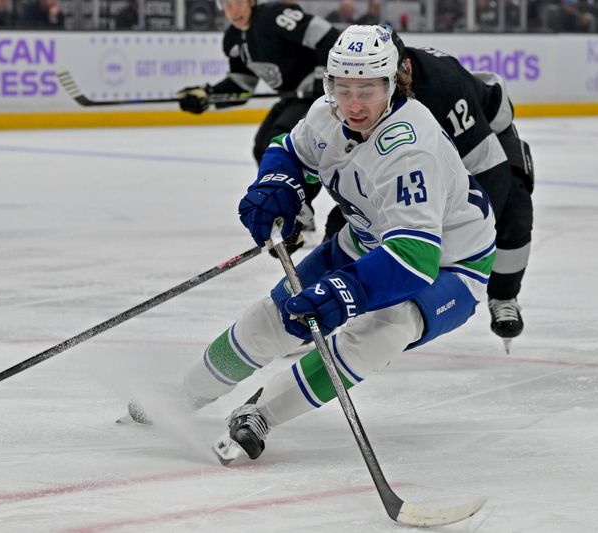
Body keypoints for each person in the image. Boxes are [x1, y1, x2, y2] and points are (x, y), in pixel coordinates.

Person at [177, 24, 497, 464]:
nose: (353, 103)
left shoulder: (411, 147)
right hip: (366, 237)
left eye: (367, 90)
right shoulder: (326, 115)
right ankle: (183, 396)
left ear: (392, 84)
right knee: (277, 316)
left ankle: (261, 414)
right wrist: (278, 183)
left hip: (452, 263)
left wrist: (348, 292)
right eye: (342, 88)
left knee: (385, 330)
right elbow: (288, 150)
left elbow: (416, 257)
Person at [323, 28, 534, 352]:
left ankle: (505, 295)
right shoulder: (363, 92)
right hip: (423, 149)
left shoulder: (444, 87)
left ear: (402, 69)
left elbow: (487, 167)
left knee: (515, 208)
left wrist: (464, 237)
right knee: (362, 215)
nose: (358, 97)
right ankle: (326, 301)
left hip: (483, 140)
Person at [174, 0, 340, 253]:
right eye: (226, 5)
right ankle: (296, 207)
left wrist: (322, 79)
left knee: (280, 140)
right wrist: (207, 95)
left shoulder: (275, 16)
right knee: (261, 147)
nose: (233, 11)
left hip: (318, 98)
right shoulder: (233, 39)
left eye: (237, 3)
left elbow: (328, 37)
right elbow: (242, 86)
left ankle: (297, 210)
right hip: (292, 97)